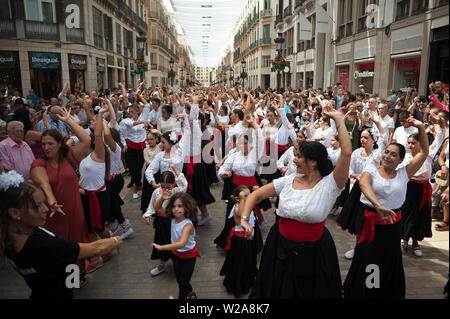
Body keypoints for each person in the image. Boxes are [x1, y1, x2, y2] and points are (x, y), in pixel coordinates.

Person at [240, 104, 352, 299]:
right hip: (279, 244)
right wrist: (244, 219)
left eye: (299, 157)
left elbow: (347, 153)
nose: (294, 160)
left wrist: (339, 120)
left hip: (315, 251)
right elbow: (255, 196)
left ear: (314, 161)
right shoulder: (288, 180)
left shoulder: (331, 184)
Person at [0, 171, 122, 299]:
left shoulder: (8, 235)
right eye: (37, 206)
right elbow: (97, 248)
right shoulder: (43, 245)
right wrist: (116, 240)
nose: (45, 209)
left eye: (44, 203)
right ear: (14, 213)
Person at [343, 117, 429, 299]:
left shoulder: (404, 173)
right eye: (386, 152)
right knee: (369, 260)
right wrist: (378, 205)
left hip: (391, 226)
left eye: (393, 154)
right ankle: (368, 293)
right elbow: (364, 185)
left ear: (401, 160)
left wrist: (420, 127)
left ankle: (384, 293)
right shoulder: (372, 169)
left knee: (388, 260)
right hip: (370, 222)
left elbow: (424, 153)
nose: (387, 156)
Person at [30, 107, 91, 284]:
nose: (46, 147)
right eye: (43, 144)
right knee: (56, 250)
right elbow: (43, 183)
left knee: (76, 246)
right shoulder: (38, 163)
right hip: (53, 216)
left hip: (74, 213)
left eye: (50, 143)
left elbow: (86, 139)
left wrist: (68, 120)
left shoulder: (70, 156)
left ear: (59, 144)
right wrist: (52, 201)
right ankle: (60, 282)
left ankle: (74, 280)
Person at [337, 110, 388, 260]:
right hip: (358, 189)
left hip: (373, 190)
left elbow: (384, 139)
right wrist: (354, 176)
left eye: (366, 138)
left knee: (371, 221)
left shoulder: (377, 154)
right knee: (358, 220)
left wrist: (377, 122)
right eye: (362, 137)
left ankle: (372, 248)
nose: (363, 140)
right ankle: (357, 247)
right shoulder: (356, 153)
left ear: (373, 140)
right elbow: (349, 168)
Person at [399, 116, 446, 256]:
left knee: (420, 215)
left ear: (421, 143)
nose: (410, 146)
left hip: (423, 189)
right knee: (406, 213)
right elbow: (400, 173)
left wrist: (441, 125)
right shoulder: (405, 158)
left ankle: (415, 243)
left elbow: (439, 139)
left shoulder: (427, 154)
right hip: (408, 189)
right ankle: (404, 238)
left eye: (413, 143)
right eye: (409, 143)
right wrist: (414, 175)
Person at [152, 192, 200, 299]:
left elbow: (181, 244)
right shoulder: (172, 218)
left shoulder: (187, 225)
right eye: (173, 206)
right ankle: (192, 295)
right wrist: (162, 198)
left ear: (187, 207)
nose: (176, 209)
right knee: (181, 280)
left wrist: (162, 247)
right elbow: (157, 207)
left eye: (180, 206)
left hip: (189, 257)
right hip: (176, 255)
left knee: (182, 284)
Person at [143, 165, 187, 276]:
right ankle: (162, 264)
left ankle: (179, 263)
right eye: (163, 186)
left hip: (174, 222)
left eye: (169, 187)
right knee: (161, 242)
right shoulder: (157, 192)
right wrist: (148, 215)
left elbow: (184, 183)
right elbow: (152, 204)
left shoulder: (177, 191)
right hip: (161, 223)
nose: (166, 190)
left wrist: (176, 170)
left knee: (175, 242)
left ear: (173, 184)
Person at [220, 186, 258, 297]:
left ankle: (248, 279)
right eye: (245, 196)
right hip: (240, 240)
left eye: (248, 194)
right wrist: (242, 199)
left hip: (248, 238)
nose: (248, 197)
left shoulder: (247, 205)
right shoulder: (237, 208)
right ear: (237, 199)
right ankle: (238, 284)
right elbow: (243, 216)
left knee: (249, 261)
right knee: (240, 263)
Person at [121, 101, 151, 198]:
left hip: (141, 147)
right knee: (132, 169)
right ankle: (138, 185)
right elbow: (124, 132)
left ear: (138, 112)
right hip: (130, 147)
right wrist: (124, 144)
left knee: (138, 169)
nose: (131, 113)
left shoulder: (143, 117)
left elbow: (147, 105)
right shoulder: (125, 121)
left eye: (133, 111)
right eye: (129, 112)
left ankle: (136, 184)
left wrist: (139, 96)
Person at [140, 130, 162, 215]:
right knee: (148, 191)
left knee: (157, 191)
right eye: (148, 139)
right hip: (149, 172)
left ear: (156, 139)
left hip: (157, 173)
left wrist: (157, 131)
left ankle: (157, 207)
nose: (149, 141)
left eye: (151, 139)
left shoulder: (159, 146)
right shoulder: (145, 150)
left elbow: (164, 137)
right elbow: (147, 160)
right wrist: (155, 162)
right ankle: (148, 208)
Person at [435, 138, 449, 231]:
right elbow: (440, 157)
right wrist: (443, 166)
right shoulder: (447, 141)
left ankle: (446, 221)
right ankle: (446, 221)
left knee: (446, 195)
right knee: (444, 197)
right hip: (446, 173)